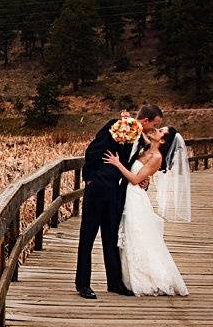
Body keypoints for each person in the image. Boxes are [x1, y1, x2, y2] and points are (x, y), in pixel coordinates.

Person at [74, 104, 163, 299]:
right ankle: (83, 284)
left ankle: (114, 283)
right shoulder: (117, 126)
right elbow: (92, 151)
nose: (154, 129)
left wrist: (142, 179)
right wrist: (89, 178)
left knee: (111, 237)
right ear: (146, 120)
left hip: (118, 192)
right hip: (98, 187)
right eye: (154, 124)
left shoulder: (142, 140)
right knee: (87, 235)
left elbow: (133, 163)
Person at [103, 126, 190, 296]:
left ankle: (147, 278)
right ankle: (125, 277)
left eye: (160, 131)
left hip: (135, 198)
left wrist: (117, 163)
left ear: (163, 140)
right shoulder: (144, 147)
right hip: (127, 195)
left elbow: (135, 179)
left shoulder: (157, 157)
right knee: (129, 236)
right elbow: (139, 129)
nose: (156, 129)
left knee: (136, 235)